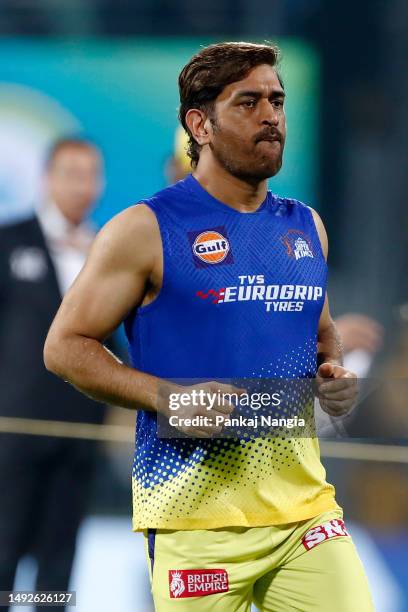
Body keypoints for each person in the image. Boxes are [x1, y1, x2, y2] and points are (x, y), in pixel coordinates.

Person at [44, 43, 374, 611]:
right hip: (193, 523)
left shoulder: (306, 226)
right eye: (248, 102)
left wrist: (334, 372)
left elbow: (319, 330)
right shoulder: (144, 229)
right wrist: (167, 398)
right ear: (200, 123)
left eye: (277, 101)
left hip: (306, 516)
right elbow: (64, 347)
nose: (271, 116)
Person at [0, 137, 106, 609]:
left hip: (79, 433)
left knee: (58, 566)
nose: (84, 186)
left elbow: (115, 347)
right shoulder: (9, 241)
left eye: (92, 175)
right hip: (12, 431)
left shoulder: (107, 253)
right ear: (46, 179)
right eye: (72, 174)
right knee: (2, 554)